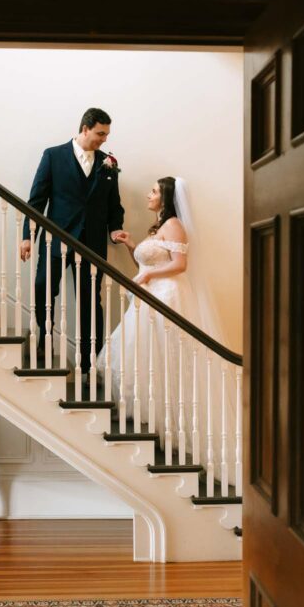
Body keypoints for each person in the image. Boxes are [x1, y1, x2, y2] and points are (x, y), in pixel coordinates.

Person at [99, 176, 237, 481]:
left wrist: (147, 277)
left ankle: (174, 429)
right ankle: (154, 420)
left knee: (168, 356)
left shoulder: (174, 224)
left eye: (153, 192)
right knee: (148, 353)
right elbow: (155, 260)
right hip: (154, 294)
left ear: (166, 197)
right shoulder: (160, 227)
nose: (148, 195)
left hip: (168, 295)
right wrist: (131, 244)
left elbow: (179, 264)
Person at [21, 107, 125, 368]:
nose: (104, 139)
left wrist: (115, 228)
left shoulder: (108, 162)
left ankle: (93, 360)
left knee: (91, 301)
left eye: (106, 134)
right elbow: (36, 201)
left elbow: (114, 205)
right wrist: (27, 237)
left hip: (92, 244)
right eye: (100, 133)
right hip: (56, 239)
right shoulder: (53, 156)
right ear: (85, 128)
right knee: (43, 287)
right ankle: (43, 342)